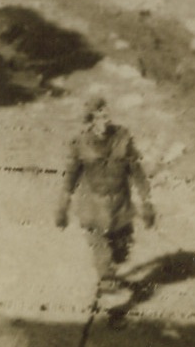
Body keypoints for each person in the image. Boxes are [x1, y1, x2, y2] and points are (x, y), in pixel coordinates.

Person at [56, 98, 155, 291]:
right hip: (92, 205)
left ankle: (114, 262)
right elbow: (71, 176)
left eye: (107, 116)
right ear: (91, 120)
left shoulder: (123, 139)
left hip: (120, 205)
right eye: (100, 117)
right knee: (101, 248)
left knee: (121, 252)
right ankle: (106, 277)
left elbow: (137, 172)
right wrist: (63, 205)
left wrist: (147, 202)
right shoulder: (81, 143)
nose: (106, 120)